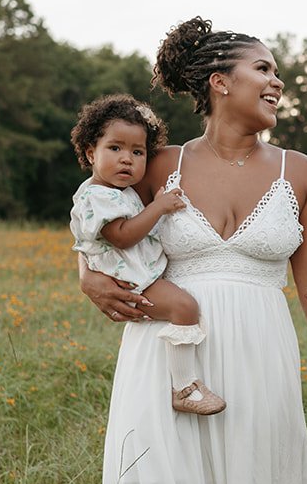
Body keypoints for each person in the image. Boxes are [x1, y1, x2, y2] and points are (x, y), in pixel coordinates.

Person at [77, 17, 307, 484]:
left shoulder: (299, 172)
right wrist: (85, 276)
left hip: (259, 348)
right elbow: (93, 218)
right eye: (265, 69)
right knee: (163, 482)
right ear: (220, 83)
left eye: (276, 72)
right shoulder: (155, 162)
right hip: (164, 353)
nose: (278, 81)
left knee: (253, 482)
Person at [68, 93, 225, 416]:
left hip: (141, 273)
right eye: (115, 148)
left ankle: (185, 384)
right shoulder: (97, 197)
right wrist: (158, 207)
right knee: (185, 307)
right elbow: (123, 236)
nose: (127, 159)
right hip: (133, 281)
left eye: (137, 152)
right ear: (90, 152)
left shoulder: (118, 192)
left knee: (184, 306)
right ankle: (185, 386)